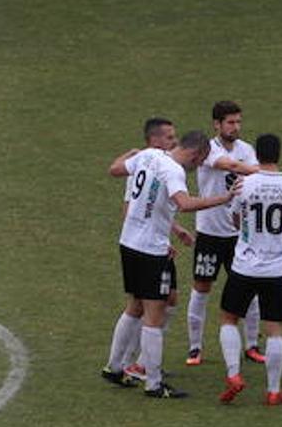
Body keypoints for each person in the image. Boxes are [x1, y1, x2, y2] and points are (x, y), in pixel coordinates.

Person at [101, 130, 239, 399]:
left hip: (128, 242)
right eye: (200, 162)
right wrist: (224, 198)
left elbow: (116, 169)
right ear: (196, 153)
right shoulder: (173, 170)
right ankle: (153, 383)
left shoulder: (150, 154)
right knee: (155, 315)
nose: (197, 167)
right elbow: (185, 204)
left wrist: (131, 153)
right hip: (151, 250)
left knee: (134, 306)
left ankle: (114, 367)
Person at [215, 134, 282, 406]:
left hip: (244, 264)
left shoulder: (245, 183)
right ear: (278, 154)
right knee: (275, 328)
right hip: (276, 267)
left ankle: (233, 375)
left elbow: (236, 219)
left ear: (257, 156)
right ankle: (273, 390)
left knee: (229, 318)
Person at [108, 117, 193, 383]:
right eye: (169, 137)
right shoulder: (157, 165)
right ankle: (142, 367)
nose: (174, 141)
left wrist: (174, 229)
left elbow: (146, 208)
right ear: (154, 140)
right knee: (152, 308)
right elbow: (133, 211)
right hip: (149, 248)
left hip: (140, 243)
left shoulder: (145, 161)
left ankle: (122, 364)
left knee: (164, 300)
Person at [186, 100, 265, 368]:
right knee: (201, 288)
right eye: (230, 122)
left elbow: (252, 179)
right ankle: (195, 348)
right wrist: (267, 172)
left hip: (239, 235)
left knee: (250, 290)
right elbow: (231, 166)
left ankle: (252, 345)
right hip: (209, 233)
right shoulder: (208, 150)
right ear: (217, 124)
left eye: (238, 122)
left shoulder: (247, 149)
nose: (236, 127)